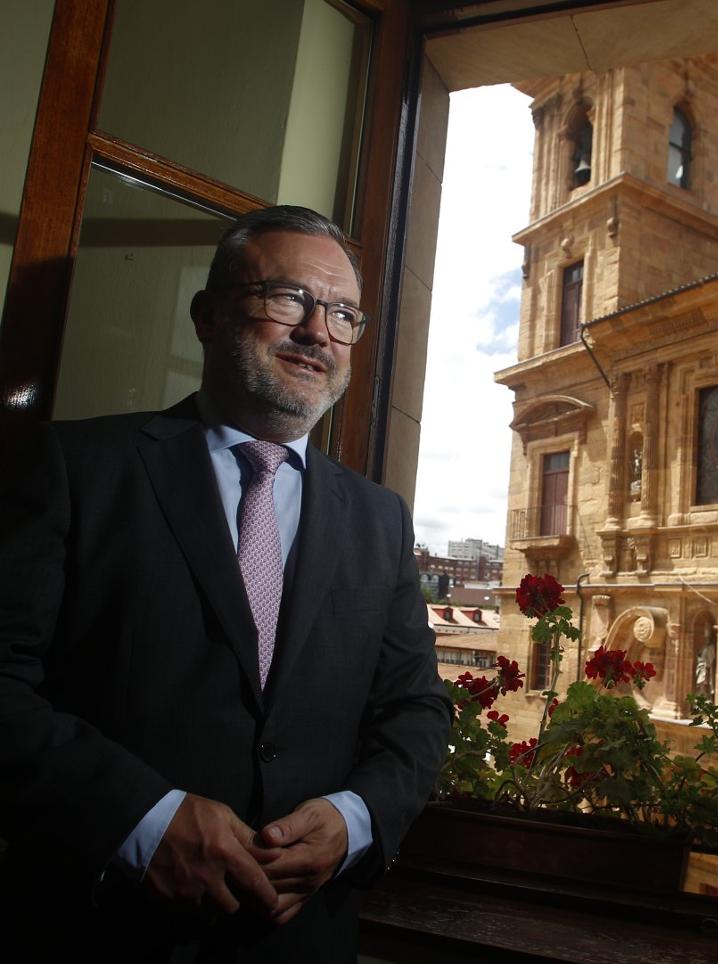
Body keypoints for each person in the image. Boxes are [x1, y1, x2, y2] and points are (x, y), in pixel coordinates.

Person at [0, 206, 452, 962]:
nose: (318, 331)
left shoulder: (378, 518)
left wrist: (356, 818)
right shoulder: (79, 469)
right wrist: (140, 820)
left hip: (299, 941)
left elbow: (415, 709)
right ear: (208, 316)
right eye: (288, 299)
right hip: (96, 928)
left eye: (343, 313)